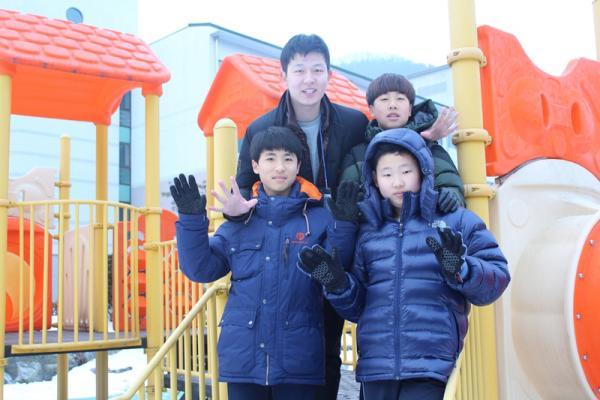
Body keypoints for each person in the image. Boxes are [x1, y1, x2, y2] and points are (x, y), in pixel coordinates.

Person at [297, 128, 510, 400]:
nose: (397, 182)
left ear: (423, 171)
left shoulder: (456, 220)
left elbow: (497, 278)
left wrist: (461, 269)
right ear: (374, 179)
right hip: (376, 369)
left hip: (430, 368)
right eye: (387, 174)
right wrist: (338, 284)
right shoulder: (368, 230)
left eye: (406, 171)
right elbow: (357, 308)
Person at [170, 127, 356, 400]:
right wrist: (191, 220)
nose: (279, 167)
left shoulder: (319, 218)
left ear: (298, 166)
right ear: (256, 165)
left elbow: (338, 271)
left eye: (288, 159)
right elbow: (201, 268)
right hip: (244, 360)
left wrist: (345, 226)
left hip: (299, 360)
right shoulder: (240, 220)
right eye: (270, 158)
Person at [231, 33, 368, 400]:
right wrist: (236, 211)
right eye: (300, 70)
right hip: (282, 251)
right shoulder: (261, 129)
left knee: (327, 345)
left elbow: (387, 151)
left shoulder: (354, 123)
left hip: (335, 244)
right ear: (284, 75)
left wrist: (429, 133)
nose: (309, 79)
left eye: (317, 70)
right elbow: (245, 187)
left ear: (329, 75)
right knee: (279, 342)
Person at [340, 73, 464, 213]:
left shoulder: (430, 148)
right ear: (372, 109)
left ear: (410, 109)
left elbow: (449, 182)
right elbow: (347, 195)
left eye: (400, 99)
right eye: (384, 99)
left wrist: (450, 196)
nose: (393, 105)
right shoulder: (357, 155)